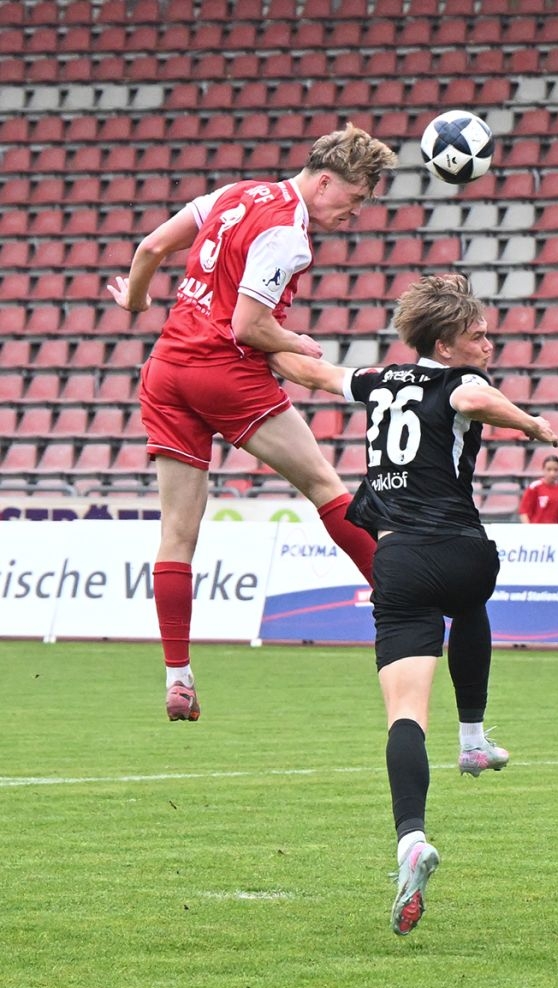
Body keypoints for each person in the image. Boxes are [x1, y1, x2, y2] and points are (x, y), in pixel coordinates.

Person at [268, 274, 558, 936]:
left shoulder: (376, 380)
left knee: (404, 714)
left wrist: (260, 343)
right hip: (461, 548)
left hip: (399, 559)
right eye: (480, 333)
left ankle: (410, 840)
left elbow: (310, 374)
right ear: (449, 341)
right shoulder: (456, 383)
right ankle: (475, 739)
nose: (490, 340)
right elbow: (477, 398)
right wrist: (533, 424)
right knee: (473, 596)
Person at [109, 124, 397, 722]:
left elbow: (148, 250)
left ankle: (178, 675)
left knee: (177, 534)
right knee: (323, 485)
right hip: (223, 372)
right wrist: (299, 341)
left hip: (166, 370)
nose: (357, 210)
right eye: (356, 195)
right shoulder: (288, 230)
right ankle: (402, 603)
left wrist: (136, 303)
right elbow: (248, 327)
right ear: (324, 181)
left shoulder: (233, 193)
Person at [518, 453, 558, 524]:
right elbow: (524, 512)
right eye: (549, 470)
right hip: (537, 529)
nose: (552, 473)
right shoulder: (534, 487)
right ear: (543, 469)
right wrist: (529, 530)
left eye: (556, 470)